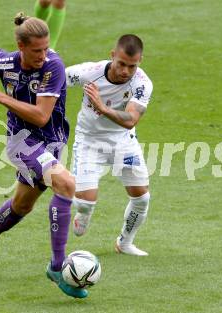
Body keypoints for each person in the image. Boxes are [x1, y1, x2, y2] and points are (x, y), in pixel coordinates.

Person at [0, 12, 88, 298]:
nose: (44, 55)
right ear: (21, 47)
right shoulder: (6, 61)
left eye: (46, 48)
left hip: (52, 142)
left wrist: (2, 98)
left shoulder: (53, 67)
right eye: (37, 50)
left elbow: (42, 116)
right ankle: (57, 267)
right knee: (66, 183)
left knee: (22, 206)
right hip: (23, 143)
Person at [66, 34, 153, 256]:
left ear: (140, 61)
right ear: (112, 55)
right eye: (121, 63)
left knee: (142, 198)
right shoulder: (89, 72)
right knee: (85, 203)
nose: (125, 71)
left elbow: (131, 120)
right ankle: (84, 211)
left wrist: (102, 108)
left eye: (132, 66)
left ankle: (124, 243)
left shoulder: (142, 83)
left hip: (123, 142)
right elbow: (57, 79)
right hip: (89, 141)